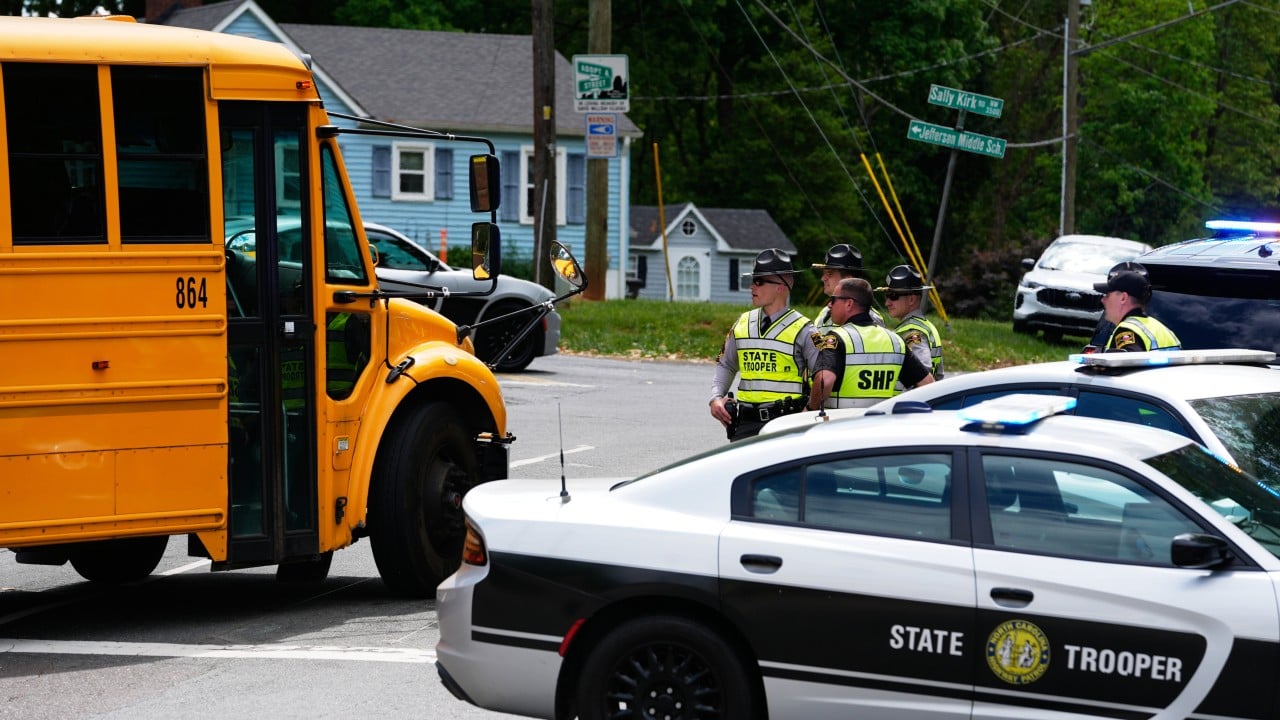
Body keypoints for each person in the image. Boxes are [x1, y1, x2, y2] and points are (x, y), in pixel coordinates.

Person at [710, 248, 821, 441]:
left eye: (759, 282)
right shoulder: (742, 322)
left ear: (782, 286)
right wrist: (715, 397)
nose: (752, 287)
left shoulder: (805, 329)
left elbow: (822, 376)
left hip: (787, 421)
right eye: (752, 280)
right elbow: (726, 364)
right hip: (745, 422)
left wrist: (810, 409)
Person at [809, 277, 934, 410]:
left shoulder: (837, 338)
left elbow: (825, 381)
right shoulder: (895, 342)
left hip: (842, 425)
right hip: (879, 426)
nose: (830, 305)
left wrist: (811, 408)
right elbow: (928, 383)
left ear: (849, 304)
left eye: (833, 299)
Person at [1092, 261, 1181, 352]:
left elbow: (1131, 363)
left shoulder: (1128, 330)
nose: (1103, 300)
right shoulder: (1161, 329)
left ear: (1123, 298)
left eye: (1108, 295)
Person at [879, 264, 944, 380]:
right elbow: (939, 375)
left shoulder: (912, 331)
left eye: (893, 296)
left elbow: (923, 372)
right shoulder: (926, 326)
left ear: (911, 299)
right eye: (886, 296)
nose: (887, 303)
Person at [811, 243, 884, 328]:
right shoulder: (825, 312)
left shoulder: (870, 319)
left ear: (848, 280)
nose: (823, 278)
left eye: (830, 273)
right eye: (824, 273)